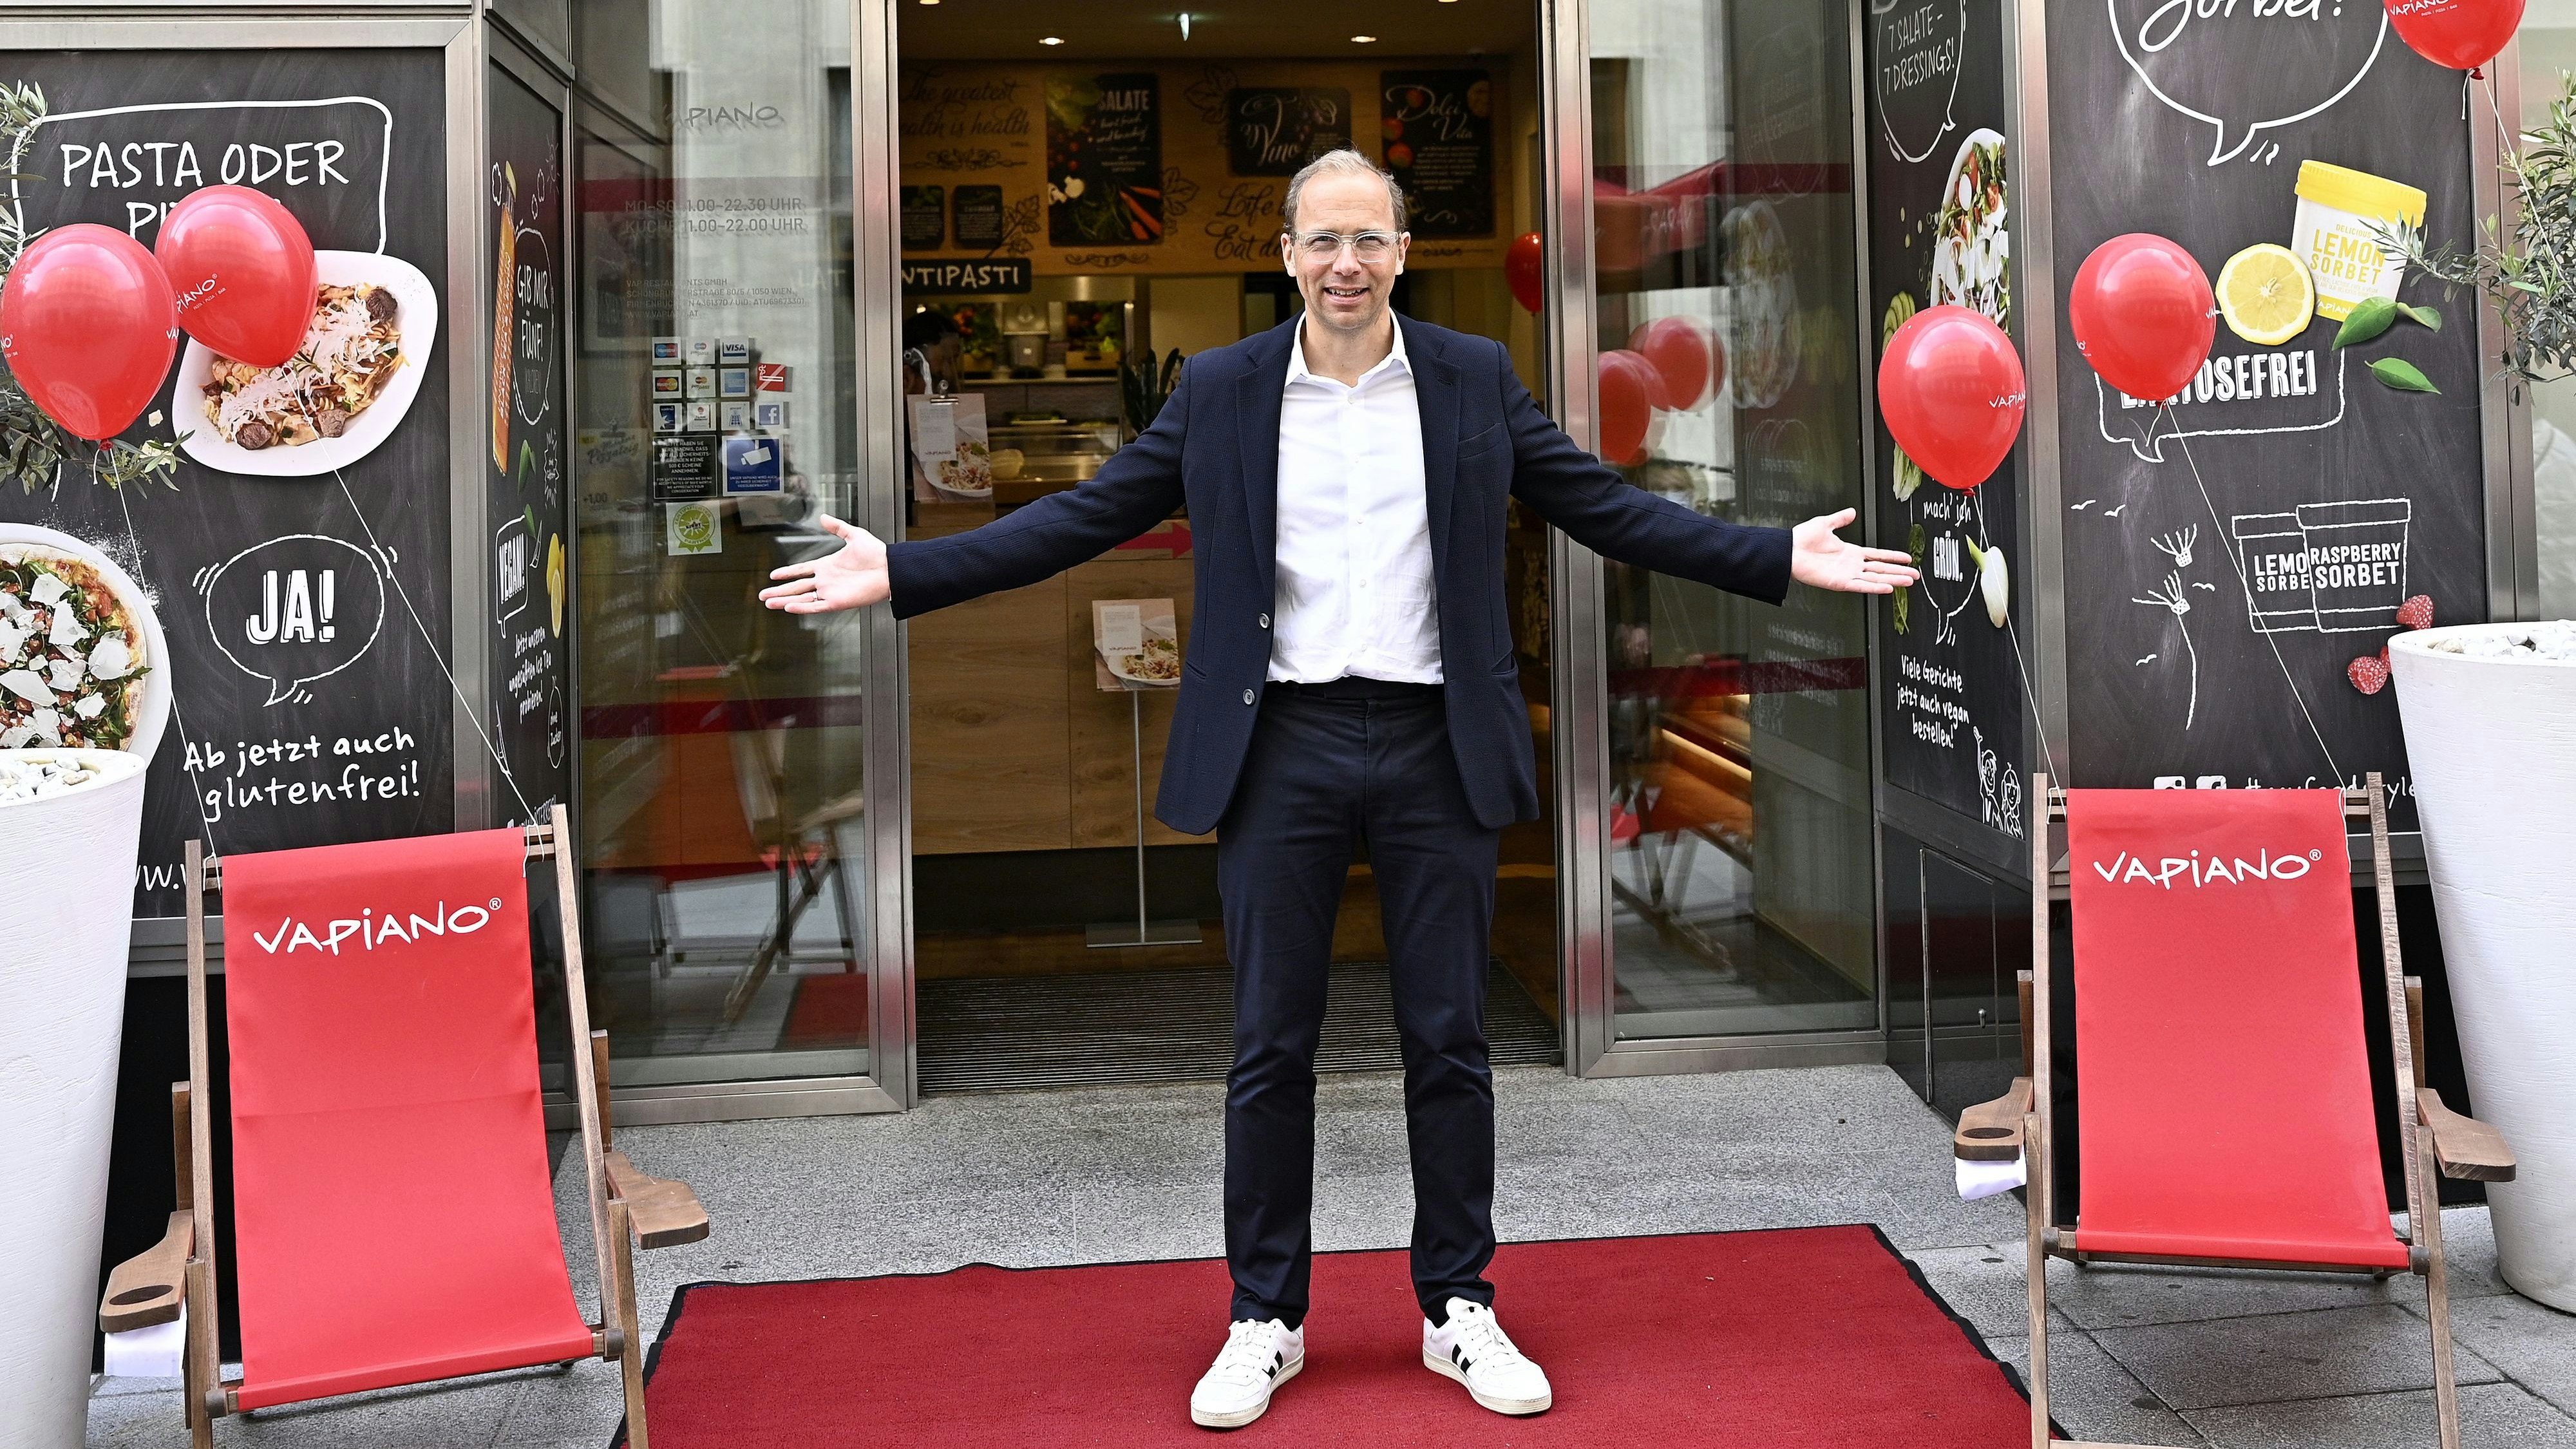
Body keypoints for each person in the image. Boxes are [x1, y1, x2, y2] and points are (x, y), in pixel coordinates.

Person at [763, 149, 1916, 1428]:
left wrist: (1767, 555)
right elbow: (1082, 519)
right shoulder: (1220, 390)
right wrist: (906, 575)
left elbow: (1598, 503)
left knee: (1449, 1041)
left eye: (1368, 240)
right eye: (1322, 241)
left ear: (1403, 253)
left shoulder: (1472, 380)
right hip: (1282, 745)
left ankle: (1456, 1308)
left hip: (1434, 742)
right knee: (1269, 1048)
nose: (1345, 264)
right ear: (1287, 252)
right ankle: (1263, 1319)